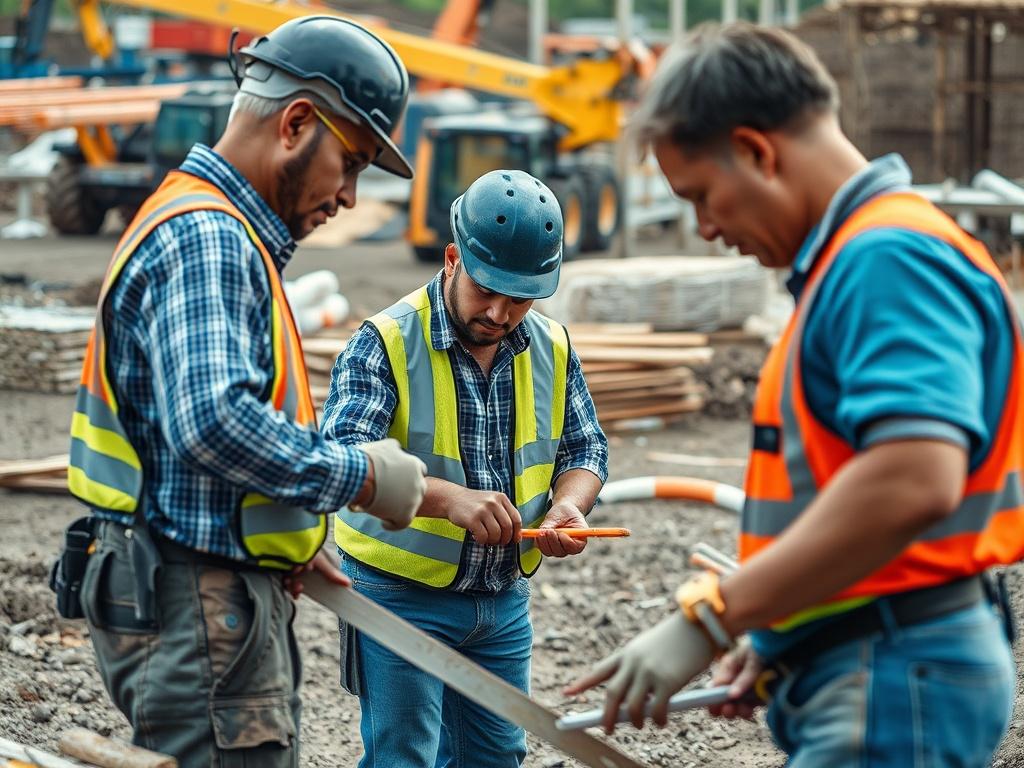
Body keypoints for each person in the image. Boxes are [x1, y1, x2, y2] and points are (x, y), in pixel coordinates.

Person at [566, 22, 1022, 768]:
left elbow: (913, 477)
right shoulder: (865, 260)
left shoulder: (886, 260)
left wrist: (716, 616)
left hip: (894, 666)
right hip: (883, 654)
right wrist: (788, 628)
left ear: (755, 150)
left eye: (704, 197)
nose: (707, 229)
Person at [61, 16, 428, 767]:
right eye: (351, 162)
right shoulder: (212, 238)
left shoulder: (214, 228)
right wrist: (358, 478)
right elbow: (213, 423)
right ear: (297, 123)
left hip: (203, 591)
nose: (351, 196)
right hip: (200, 605)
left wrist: (282, 536)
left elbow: (189, 445)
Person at [322, 168, 609, 768]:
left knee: (497, 756)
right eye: (487, 290)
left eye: (521, 297)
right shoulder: (386, 342)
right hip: (399, 596)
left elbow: (585, 452)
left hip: (502, 600)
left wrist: (569, 505)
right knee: (405, 758)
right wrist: (449, 499)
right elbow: (344, 460)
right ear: (452, 258)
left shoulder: (551, 346)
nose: (501, 314)